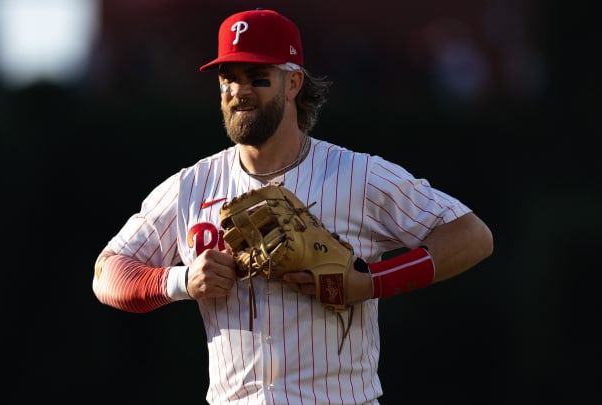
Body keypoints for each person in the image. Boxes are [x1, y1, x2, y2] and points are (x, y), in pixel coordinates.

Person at [92, 8, 493, 405]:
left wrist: (371, 282)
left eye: (256, 76)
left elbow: (471, 235)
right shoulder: (192, 187)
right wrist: (180, 282)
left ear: (293, 82)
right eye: (228, 78)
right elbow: (107, 272)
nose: (239, 90)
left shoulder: (358, 175)